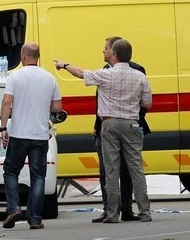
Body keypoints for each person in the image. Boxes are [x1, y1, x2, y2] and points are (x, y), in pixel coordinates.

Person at [55, 36, 150, 223]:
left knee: (111, 170)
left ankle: (113, 214)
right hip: (132, 123)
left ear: (114, 55)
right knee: (136, 169)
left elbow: (81, 73)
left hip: (110, 124)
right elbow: (147, 102)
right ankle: (145, 212)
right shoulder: (140, 76)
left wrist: (64, 65)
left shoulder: (106, 74)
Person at [0, 43, 62, 230]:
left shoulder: (15, 76)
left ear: (23, 56)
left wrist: (3, 127)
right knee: (38, 177)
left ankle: (14, 208)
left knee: (11, 171)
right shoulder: (49, 78)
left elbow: (6, 101)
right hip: (40, 134)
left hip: (19, 134)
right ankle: (35, 218)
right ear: (38, 56)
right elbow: (57, 107)